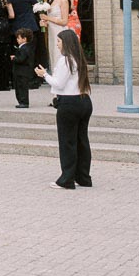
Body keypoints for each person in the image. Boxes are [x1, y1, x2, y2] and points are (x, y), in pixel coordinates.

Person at [35, 28, 92, 190]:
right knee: (82, 140)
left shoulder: (65, 60)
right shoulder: (79, 59)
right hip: (84, 101)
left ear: (65, 43)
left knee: (67, 142)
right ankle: (83, 177)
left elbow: (59, 83)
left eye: (59, 42)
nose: (57, 45)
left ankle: (67, 178)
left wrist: (44, 75)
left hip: (69, 103)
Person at [6, 0, 43, 88]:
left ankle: (19, 80)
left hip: (17, 28)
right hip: (30, 26)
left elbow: (11, 14)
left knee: (19, 54)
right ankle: (32, 80)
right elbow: (37, 5)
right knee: (31, 54)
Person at [41, 0, 72, 70]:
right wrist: (45, 22)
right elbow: (51, 19)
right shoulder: (51, 1)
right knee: (53, 54)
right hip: (52, 32)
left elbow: (64, 21)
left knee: (59, 55)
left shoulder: (64, 1)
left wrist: (48, 18)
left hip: (60, 31)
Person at [11, 28, 35, 108]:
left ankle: (24, 102)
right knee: (19, 87)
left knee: (22, 87)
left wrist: (14, 58)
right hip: (21, 71)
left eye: (18, 38)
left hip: (22, 72)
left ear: (24, 39)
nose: (17, 40)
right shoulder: (25, 48)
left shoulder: (24, 48)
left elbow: (21, 59)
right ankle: (21, 101)